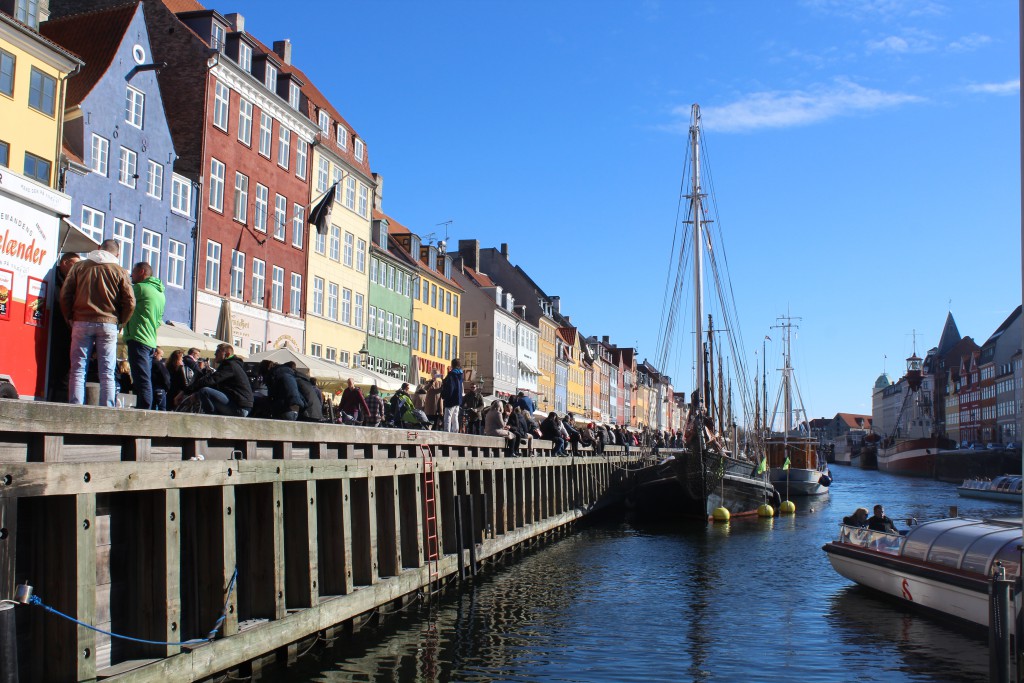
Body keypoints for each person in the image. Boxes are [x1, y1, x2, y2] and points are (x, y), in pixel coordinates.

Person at [60, 239, 135, 407]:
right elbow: (130, 302)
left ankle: (75, 407)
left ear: (99, 248)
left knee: (78, 370)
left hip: (81, 321)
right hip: (109, 323)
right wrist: (121, 322)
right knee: (107, 372)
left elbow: (65, 294)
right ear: (117, 254)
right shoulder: (120, 271)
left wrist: (69, 317)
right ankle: (107, 410)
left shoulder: (79, 267)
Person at [124, 262, 166, 410]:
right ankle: (145, 408)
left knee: (141, 379)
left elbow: (122, 298)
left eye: (133, 273)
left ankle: (144, 412)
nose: (131, 276)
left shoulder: (140, 288)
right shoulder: (160, 293)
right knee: (145, 378)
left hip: (138, 337)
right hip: (150, 340)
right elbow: (159, 320)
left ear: (142, 272)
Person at [184, 343, 253, 416]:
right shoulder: (231, 365)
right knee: (204, 391)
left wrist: (186, 392)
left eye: (218, 352)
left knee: (205, 391)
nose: (215, 354)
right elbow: (214, 384)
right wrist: (195, 393)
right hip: (240, 405)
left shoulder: (230, 366)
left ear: (227, 354)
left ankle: (212, 421)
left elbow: (210, 380)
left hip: (240, 408)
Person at [47, 252, 81, 401]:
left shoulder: (71, 283)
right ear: (64, 263)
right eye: (75, 265)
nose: (77, 269)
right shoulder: (55, 279)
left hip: (66, 333)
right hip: (56, 330)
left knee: (64, 371)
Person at [440, 359, 464, 433]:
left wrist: (444, 395)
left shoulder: (451, 374)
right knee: (455, 417)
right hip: (458, 400)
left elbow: (450, 387)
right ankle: (455, 432)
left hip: (451, 399)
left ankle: (447, 433)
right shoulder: (460, 374)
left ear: (452, 365)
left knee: (448, 417)